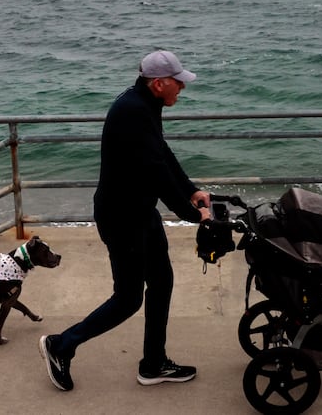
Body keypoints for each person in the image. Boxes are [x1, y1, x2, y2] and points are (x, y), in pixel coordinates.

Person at [38, 50, 213, 391]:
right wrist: (194, 215)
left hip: (141, 212)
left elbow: (161, 153)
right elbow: (155, 172)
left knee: (161, 282)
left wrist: (191, 191)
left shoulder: (146, 104)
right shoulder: (132, 111)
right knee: (129, 297)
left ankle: (153, 363)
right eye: (178, 83)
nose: (182, 88)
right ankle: (60, 346)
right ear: (159, 83)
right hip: (122, 219)